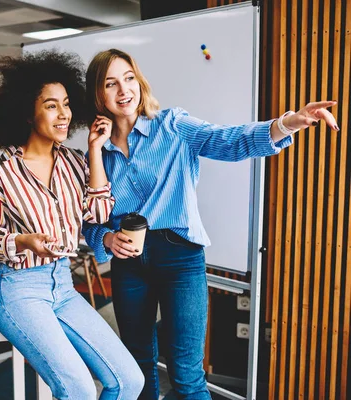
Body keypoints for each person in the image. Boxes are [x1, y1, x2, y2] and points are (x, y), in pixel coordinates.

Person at [81, 48, 338, 400]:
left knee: (186, 373)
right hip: (128, 266)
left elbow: (229, 141)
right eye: (110, 83)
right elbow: (88, 220)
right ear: (98, 94)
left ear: (139, 82)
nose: (123, 90)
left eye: (128, 78)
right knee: (136, 368)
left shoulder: (172, 125)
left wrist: (287, 123)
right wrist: (107, 239)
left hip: (180, 259)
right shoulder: (96, 152)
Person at [0, 50, 144, 399]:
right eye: (52, 105)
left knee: (130, 381)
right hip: (20, 291)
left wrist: (95, 150)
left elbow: (97, 213)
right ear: (26, 112)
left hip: (64, 287)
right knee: (78, 389)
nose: (64, 114)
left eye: (66, 104)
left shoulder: (75, 162)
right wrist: (23, 241)